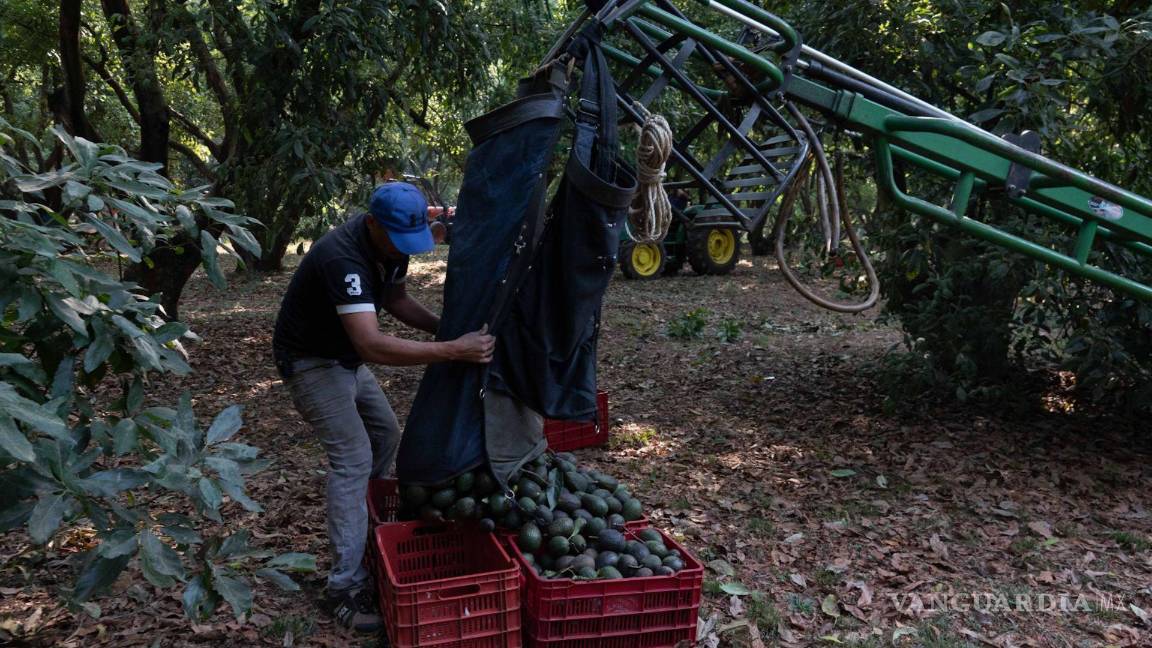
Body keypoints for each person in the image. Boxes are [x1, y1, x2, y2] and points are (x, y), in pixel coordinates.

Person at [271, 182, 494, 632]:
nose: (401, 250)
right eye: (395, 239)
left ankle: (363, 526)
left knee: (385, 435)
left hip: (345, 358)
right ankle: (343, 586)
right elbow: (371, 343)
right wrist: (452, 349)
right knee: (352, 458)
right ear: (372, 222)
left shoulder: (392, 244)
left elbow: (394, 300)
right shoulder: (342, 257)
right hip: (313, 361)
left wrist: (444, 328)